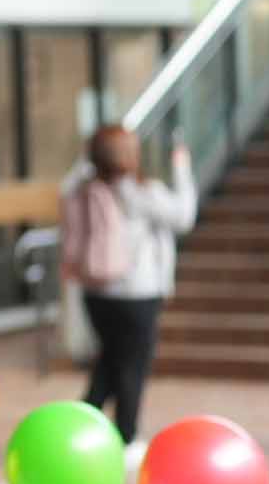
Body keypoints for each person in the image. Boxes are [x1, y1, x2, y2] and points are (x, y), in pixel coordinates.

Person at [59, 125, 195, 458]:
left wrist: (88, 158)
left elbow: (66, 186)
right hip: (137, 295)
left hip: (95, 292)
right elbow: (183, 216)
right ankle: (126, 439)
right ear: (130, 155)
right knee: (132, 365)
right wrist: (181, 167)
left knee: (109, 360)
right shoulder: (141, 193)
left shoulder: (82, 189)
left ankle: (79, 426)